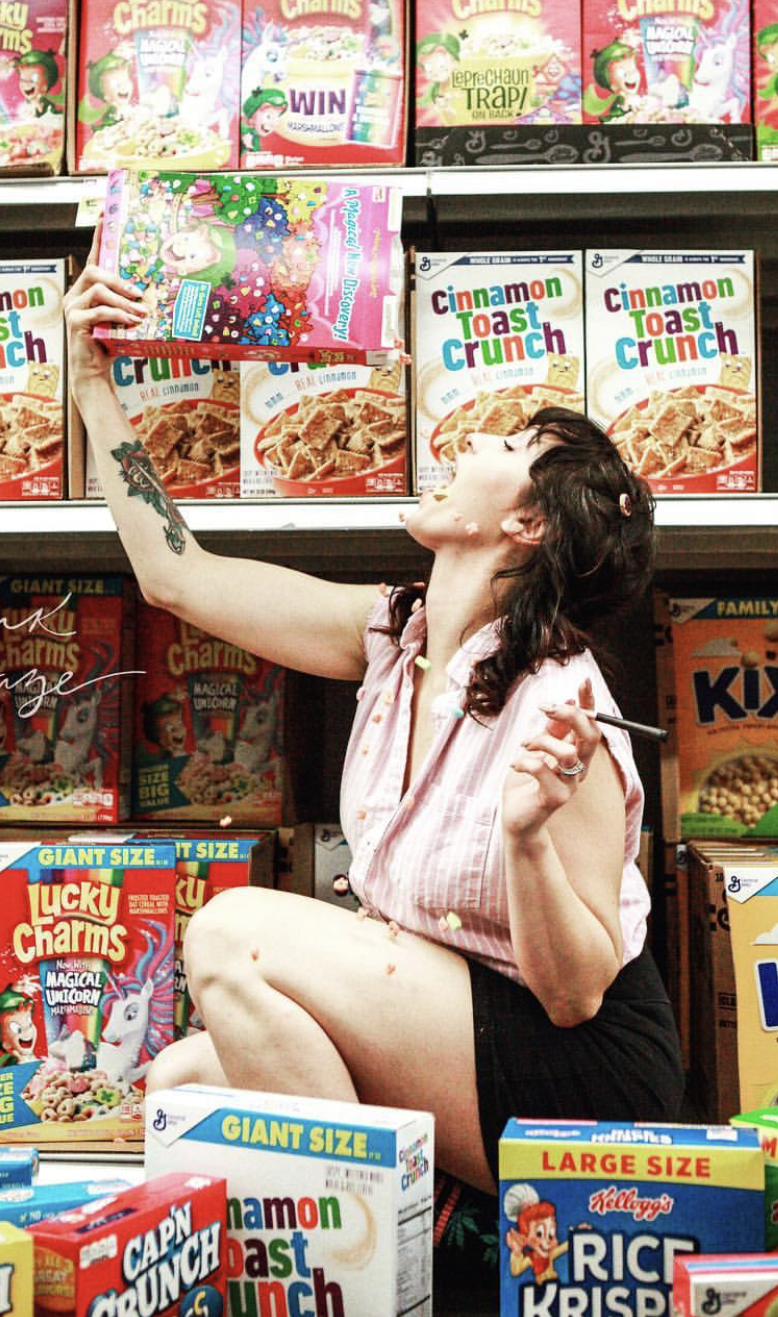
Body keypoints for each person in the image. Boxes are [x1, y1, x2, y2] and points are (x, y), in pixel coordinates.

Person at [64, 238, 684, 1195]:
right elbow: (176, 576)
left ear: (525, 525)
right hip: (464, 1029)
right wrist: (91, 383)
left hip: (582, 1075)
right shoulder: (397, 637)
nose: (467, 442)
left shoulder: (560, 705)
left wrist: (525, 837)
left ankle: (371, 1246)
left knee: (231, 932)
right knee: (182, 1086)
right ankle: (386, 1230)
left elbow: (575, 994)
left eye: (505, 447)